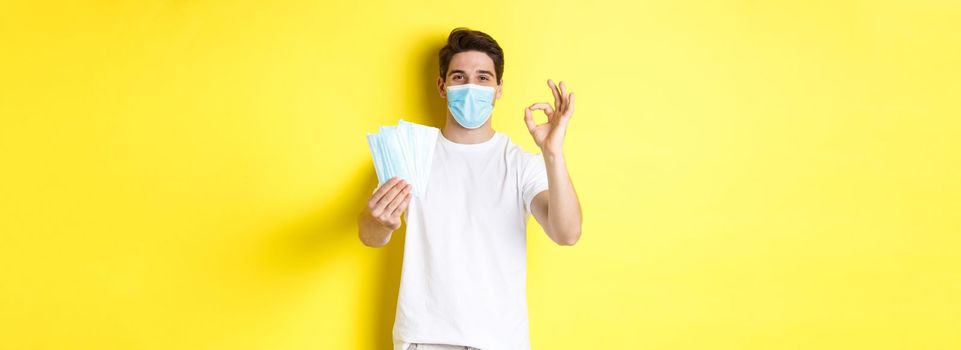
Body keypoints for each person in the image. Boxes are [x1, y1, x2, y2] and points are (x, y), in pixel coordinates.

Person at [357, 27, 583, 350]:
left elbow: (568, 232)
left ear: (499, 88)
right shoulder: (412, 152)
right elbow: (369, 234)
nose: (471, 87)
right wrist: (380, 221)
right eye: (459, 77)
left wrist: (553, 153)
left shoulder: (520, 163)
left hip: (500, 342)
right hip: (425, 340)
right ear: (442, 86)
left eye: (483, 78)